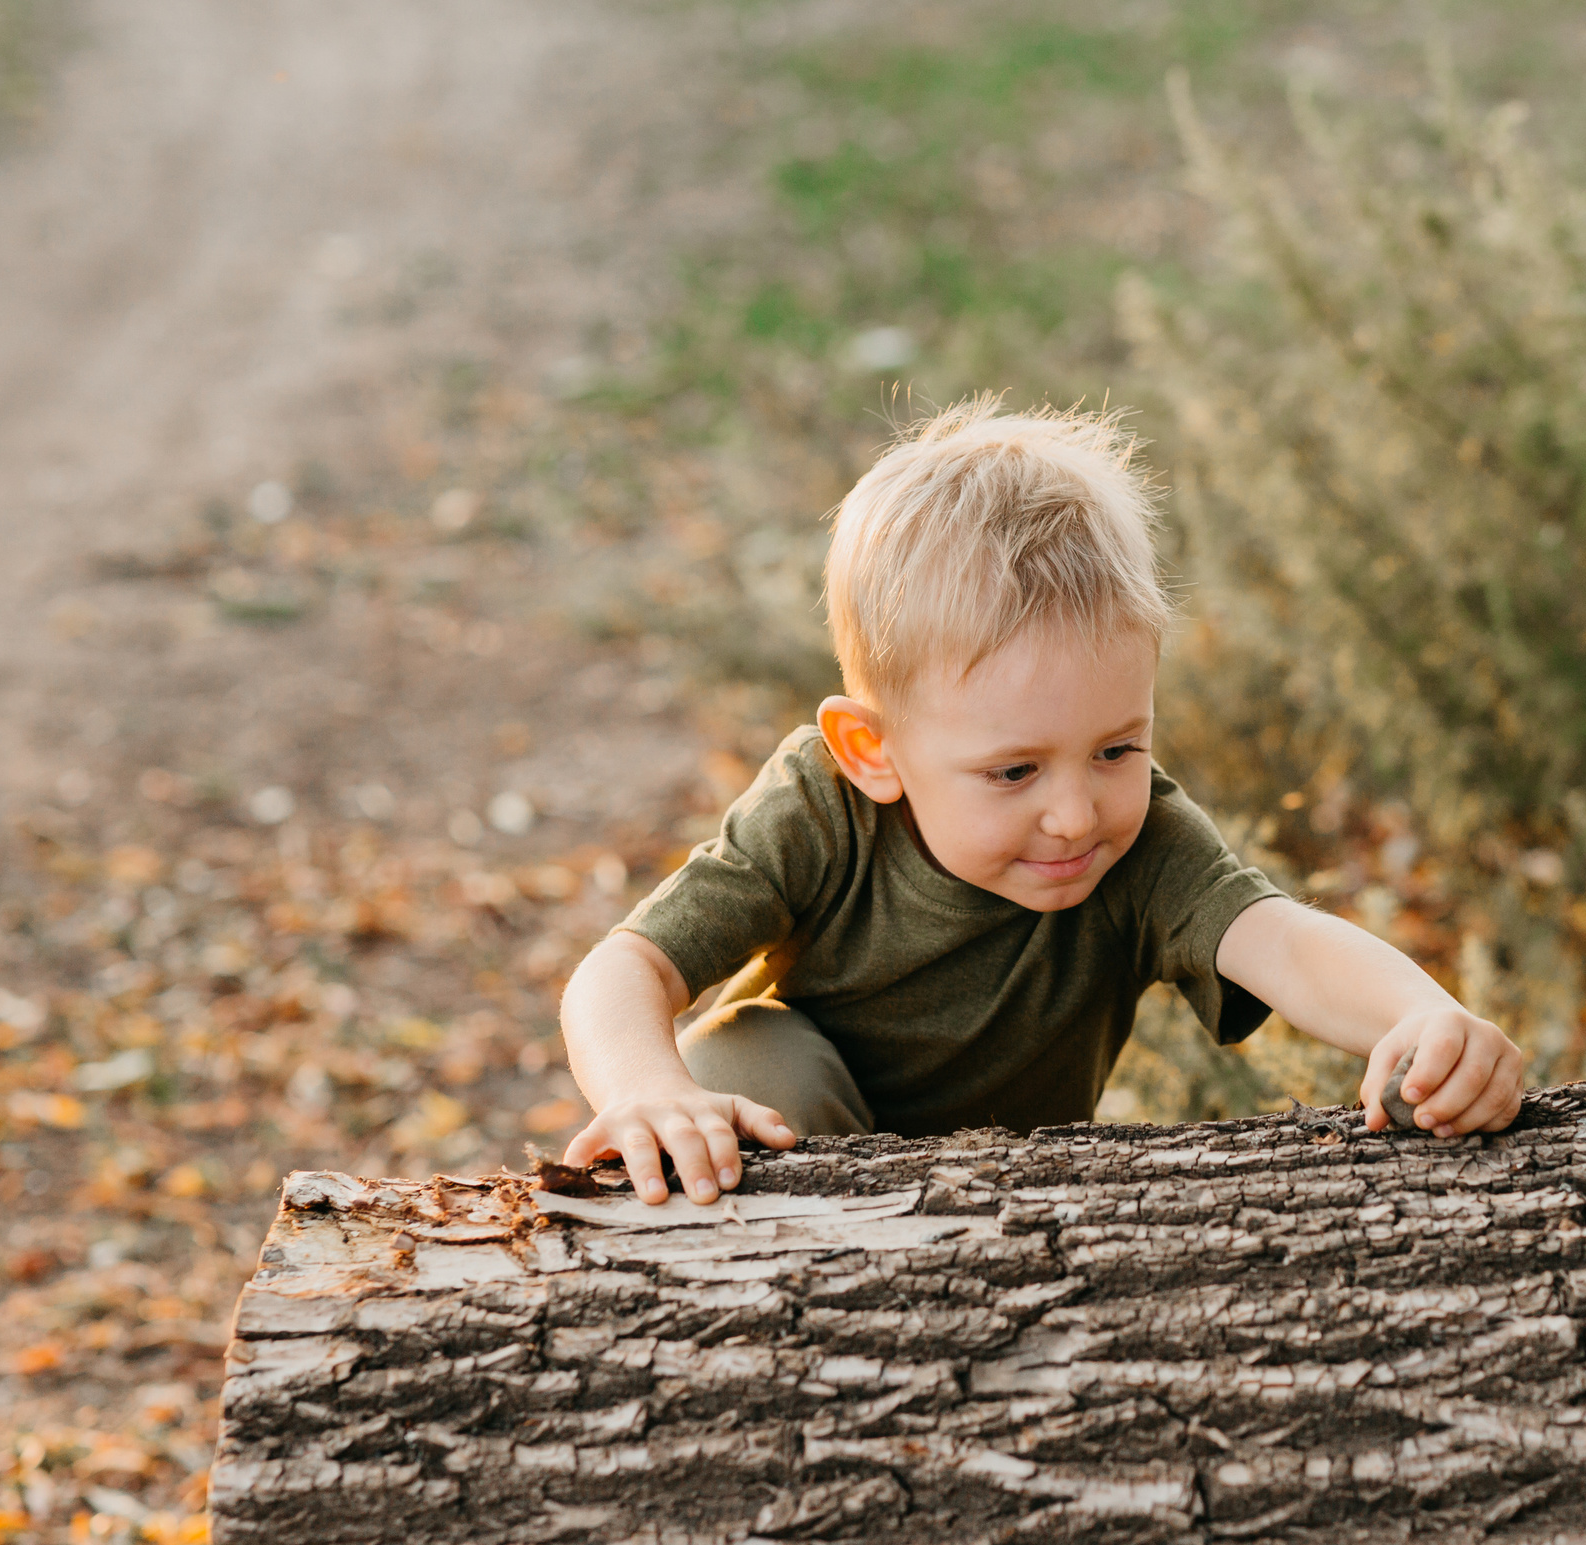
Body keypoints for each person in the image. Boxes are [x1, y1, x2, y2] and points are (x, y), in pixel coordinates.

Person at [558, 400, 1525, 1204]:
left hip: (1004, 1207)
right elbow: (623, 969)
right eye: (1014, 771)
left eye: (1117, 748)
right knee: (744, 1053)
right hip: (800, 1158)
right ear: (872, 750)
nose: (1076, 814)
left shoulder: (1138, 846)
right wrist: (648, 1090)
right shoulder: (823, 810)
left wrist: (1423, 1017)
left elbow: (1286, 942)